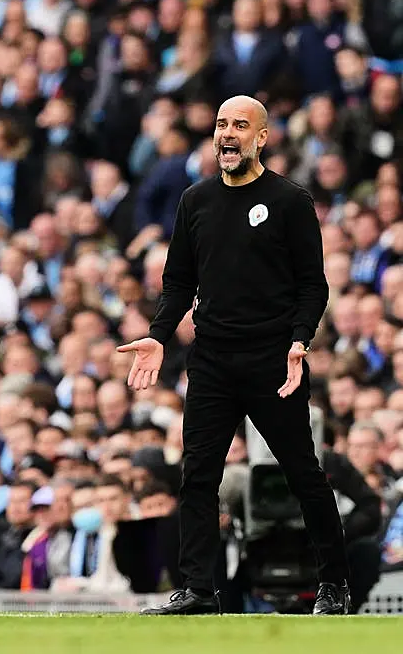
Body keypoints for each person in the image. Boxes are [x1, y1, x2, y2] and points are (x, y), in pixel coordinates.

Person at [118, 95, 351, 616]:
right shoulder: (195, 201)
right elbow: (178, 282)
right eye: (221, 124)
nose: (228, 134)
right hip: (212, 361)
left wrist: (299, 339)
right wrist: (158, 333)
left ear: (262, 137)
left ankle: (333, 584)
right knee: (198, 475)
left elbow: (313, 285)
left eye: (240, 125)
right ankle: (199, 589)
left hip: (275, 361)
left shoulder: (291, 201)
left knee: (302, 474)